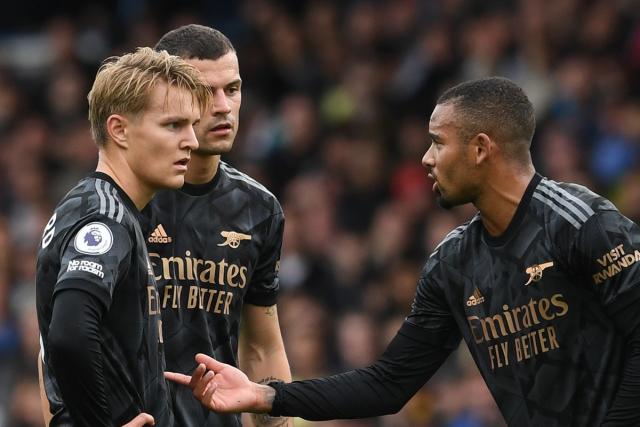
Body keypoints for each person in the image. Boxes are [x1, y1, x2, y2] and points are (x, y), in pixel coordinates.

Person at [167, 77, 640, 426]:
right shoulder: (453, 263)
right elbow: (388, 384)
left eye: (437, 143)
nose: (426, 159)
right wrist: (265, 395)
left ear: (480, 149)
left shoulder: (579, 221)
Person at [36, 47, 210, 426]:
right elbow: (68, 333)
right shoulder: (106, 217)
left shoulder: (94, 205)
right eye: (173, 125)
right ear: (119, 130)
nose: (192, 141)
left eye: (193, 125)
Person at [147, 25, 292, 427]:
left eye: (232, 88)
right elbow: (57, 349)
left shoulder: (259, 209)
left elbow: (262, 349)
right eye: (205, 92)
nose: (224, 106)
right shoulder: (123, 200)